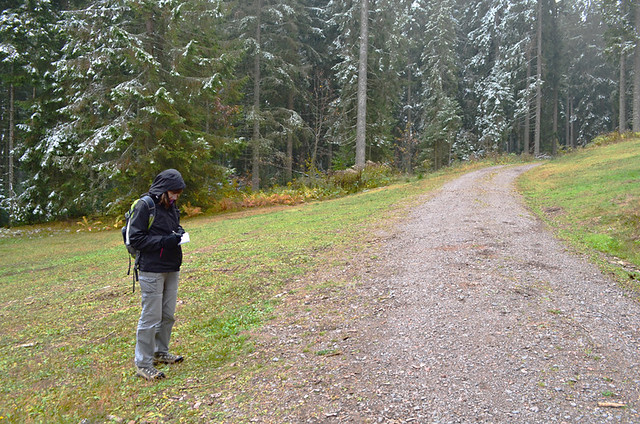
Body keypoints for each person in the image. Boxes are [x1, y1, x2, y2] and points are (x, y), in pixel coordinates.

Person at [128, 169, 186, 381]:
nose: (175, 197)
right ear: (163, 190)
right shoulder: (145, 206)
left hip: (172, 265)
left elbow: (170, 228)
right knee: (151, 317)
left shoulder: (171, 206)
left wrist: (178, 233)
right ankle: (143, 363)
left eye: (178, 193)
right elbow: (136, 239)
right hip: (152, 268)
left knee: (168, 314)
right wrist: (164, 241)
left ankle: (161, 351)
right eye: (173, 192)